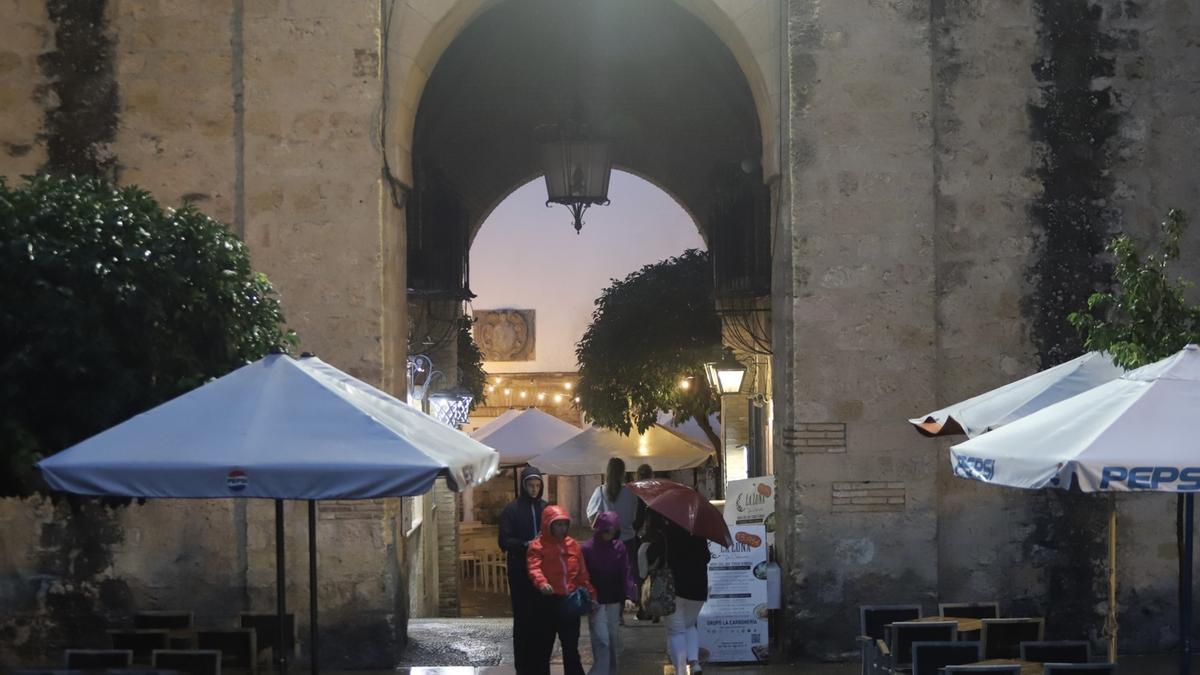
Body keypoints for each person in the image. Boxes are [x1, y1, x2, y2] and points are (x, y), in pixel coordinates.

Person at [526, 505, 596, 675]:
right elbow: (534, 567)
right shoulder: (537, 546)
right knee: (544, 648)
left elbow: (582, 573)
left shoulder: (573, 545)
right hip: (547, 602)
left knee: (571, 648)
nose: (562, 528)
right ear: (548, 525)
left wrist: (591, 593)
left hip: (569, 602)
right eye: (557, 524)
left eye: (564, 524)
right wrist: (542, 583)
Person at [645, 510, 712, 675]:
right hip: (698, 589)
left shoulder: (666, 535)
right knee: (689, 625)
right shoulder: (698, 534)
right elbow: (707, 557)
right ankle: (695, 664)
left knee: (676, 631)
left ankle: (681, 670)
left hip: (674, 590)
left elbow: (650, 555)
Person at [498, 466, 548, 674]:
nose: (534, 490)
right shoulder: (512, 510)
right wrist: (527, 544)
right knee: (523, 619)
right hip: (519, 570)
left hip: (543, 572)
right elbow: (504, 541)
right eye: (531, 486)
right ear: (524, 485)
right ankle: (524, 667)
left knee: (542, 619)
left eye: (537, 486)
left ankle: (540, 665)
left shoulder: (546, 509)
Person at [580, 511, 637, 675]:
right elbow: (583, 574)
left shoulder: (619, 547)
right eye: (606, 530)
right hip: (596, 600)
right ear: (599, 529)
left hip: (613, 600)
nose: (609, 534)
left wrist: (629, 595)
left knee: (611, 639)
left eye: (612, 531)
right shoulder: (587, 549)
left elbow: (626, 571)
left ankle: (610, 671)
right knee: (601, 640)